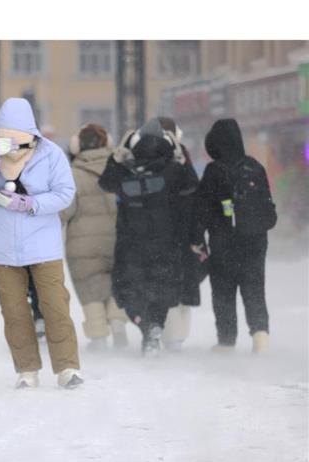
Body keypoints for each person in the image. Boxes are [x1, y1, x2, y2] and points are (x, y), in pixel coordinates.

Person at [0, 97, 83, 389]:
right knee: (14, 311)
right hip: (2, 245)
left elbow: (65, 193)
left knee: (55, 306)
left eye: (17, 139)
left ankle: (67, 367)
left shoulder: (51, 154)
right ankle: (26, 370)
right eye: (4, 138)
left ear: (31, 135)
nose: (11, 146)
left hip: (44, 244)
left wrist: (30, 203)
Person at [98, 118, 198, 356]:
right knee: (162, 289)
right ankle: (155, 326)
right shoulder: (172, 169)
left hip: (130, 243)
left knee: (128, 290)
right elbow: (192, 187)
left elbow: (105, 183)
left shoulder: (126, 169)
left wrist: (115, 158)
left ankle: (145, 325)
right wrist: (178, 155)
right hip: (165, 241)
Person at [192, 118, 276, 352]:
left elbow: (201, 210)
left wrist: (197, 238)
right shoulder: (255, 167)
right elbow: (268, 208)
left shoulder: (214, 171)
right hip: (255, 242)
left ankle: (227, 341)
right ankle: (261, 337)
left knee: (224, 293)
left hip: (224, 243)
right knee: (255, 290)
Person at [60, 124, 129, 351]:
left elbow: (65, 211)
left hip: (82, 245)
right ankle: (118, 325)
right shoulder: (120, 170)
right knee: (116, 282)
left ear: (76, 147)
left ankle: (98, 337)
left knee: (90, 288)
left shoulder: (71, 175)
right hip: (118, 238)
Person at [157, 117, 206, 351]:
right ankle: (176, 337)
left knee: (164, 284)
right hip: (183, 232)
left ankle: (165, 332)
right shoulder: (182, 156)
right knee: (181, 285)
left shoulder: (145, 157)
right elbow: (194, 197)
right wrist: (197, 237)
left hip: (159, 232)